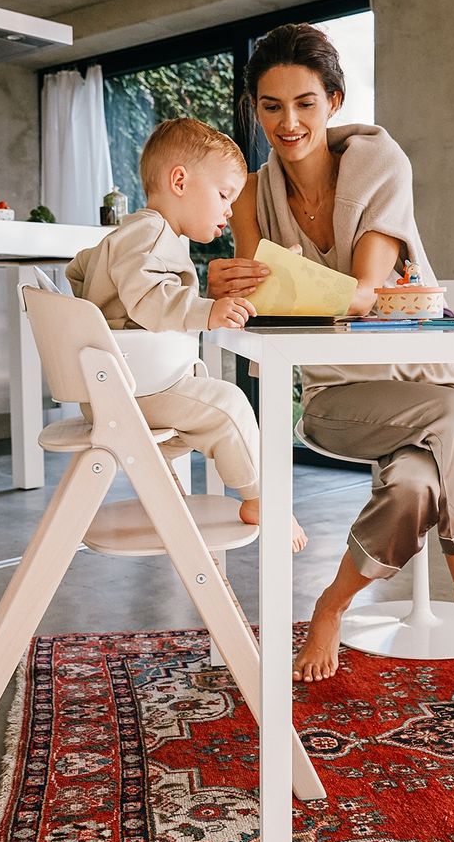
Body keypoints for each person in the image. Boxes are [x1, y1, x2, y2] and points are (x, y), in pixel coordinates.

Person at [213, 24, 454, 717]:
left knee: (419, 482)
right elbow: (257, 303)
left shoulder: (378, 160)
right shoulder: (249, 194)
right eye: (271, 106)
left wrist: (285, 287)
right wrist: (229, 284)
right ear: (254, 109)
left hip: (428, 383)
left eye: (305, 102)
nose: (289, 122)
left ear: (333, 101)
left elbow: (365, 291)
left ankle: (331, 605)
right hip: (335, 398)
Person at [67, 117, 307, 551]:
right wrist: (207, 310)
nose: (229, 210)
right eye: (223, 195)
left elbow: (79, 269)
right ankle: (260, 499)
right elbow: (148, 299)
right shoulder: (149, 233)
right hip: (135, 388)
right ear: (179, 181)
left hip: (121, 386)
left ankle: (158, 486)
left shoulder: (130, 235)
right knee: (228, 405)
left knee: (201, 412)